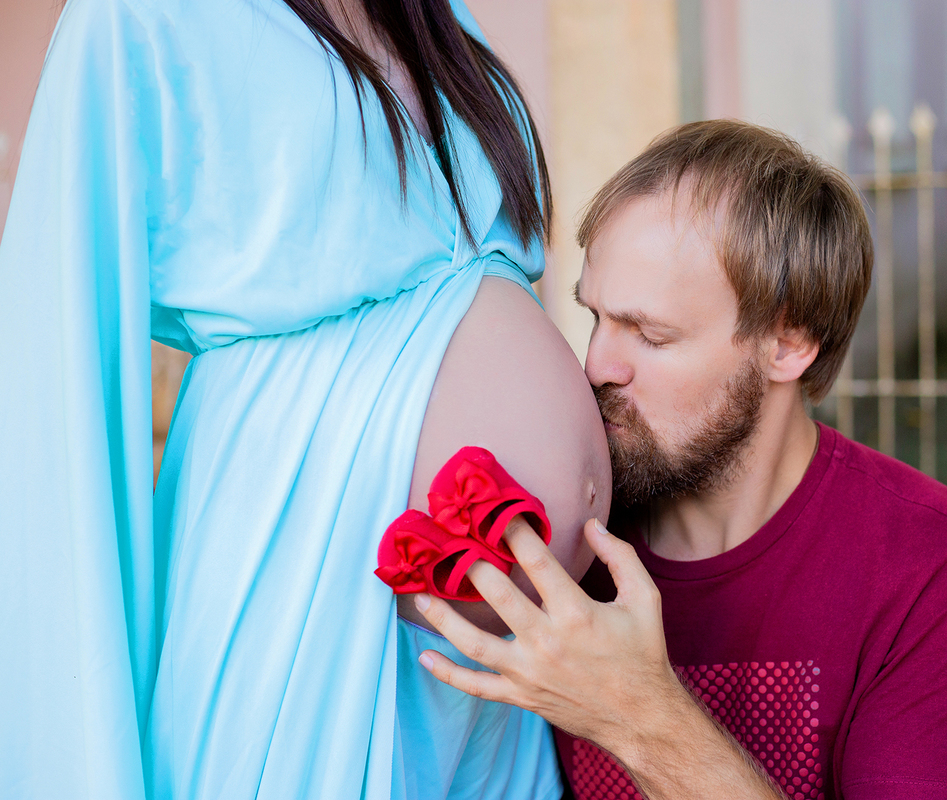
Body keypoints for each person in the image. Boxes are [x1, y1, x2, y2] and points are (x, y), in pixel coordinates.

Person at [0, 0, 609, 798]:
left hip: (502, 686)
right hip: (297, 557)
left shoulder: (438, 17)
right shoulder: (139, 16)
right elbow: (60, 352)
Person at [414, 120, 947, 800]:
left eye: (651, 334)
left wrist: (638, 716)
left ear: (787, 344)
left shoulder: (934, 569)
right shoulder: (557, 531)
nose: (597, 365)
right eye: (595, 318)